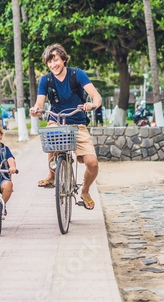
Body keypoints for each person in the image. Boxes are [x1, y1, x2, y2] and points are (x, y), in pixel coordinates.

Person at [29, 43, 102, 210]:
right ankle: (51, 175)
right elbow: (40, 102)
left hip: (77, 123)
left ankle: (85, 191)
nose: (53, 65)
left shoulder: (77, 74)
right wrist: (36, 109)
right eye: (49, 62)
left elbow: (96, 96)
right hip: (57, 119)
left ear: (63, 59)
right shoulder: (45, 80)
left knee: (92, 163)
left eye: (56, 60)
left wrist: (92, 105)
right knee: (50, 138)